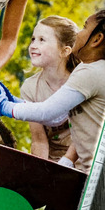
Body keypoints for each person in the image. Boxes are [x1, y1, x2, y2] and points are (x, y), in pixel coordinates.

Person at [0, 9, 105, 172]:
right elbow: (57, 118)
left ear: (97, 39)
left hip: (95, 172)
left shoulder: (92, 73)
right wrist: (15, 102)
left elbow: (47, 112)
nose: (78, 33)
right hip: (88, 169)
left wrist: (3, 107)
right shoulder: (87, 69)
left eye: (84, 27)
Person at [20, 15, 80, 164]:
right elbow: (39, 140)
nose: (33, 45)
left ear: (65, 51)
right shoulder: (30, 88)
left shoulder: (81, 83)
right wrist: (42, 171)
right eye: (33, 39)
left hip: (81, 161)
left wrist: (66, 163)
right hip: (51, 161)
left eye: (42, 40)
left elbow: (85, 135)